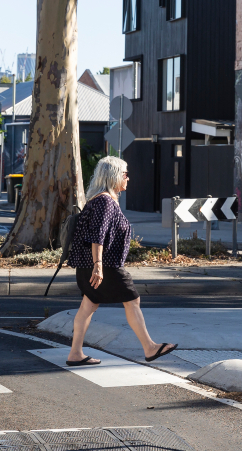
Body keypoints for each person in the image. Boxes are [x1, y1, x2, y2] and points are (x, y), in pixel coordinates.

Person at [67, 156, 177, 367]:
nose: (128, 178)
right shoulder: (105, 201)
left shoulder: (99, 200)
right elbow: (98, 235)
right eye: (125, 174)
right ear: (114, 176)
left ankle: (75, 353)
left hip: (89, 265)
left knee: (88, 306)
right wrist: (98, 266)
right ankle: (150, 348)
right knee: (132, 300)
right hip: (105, 267)